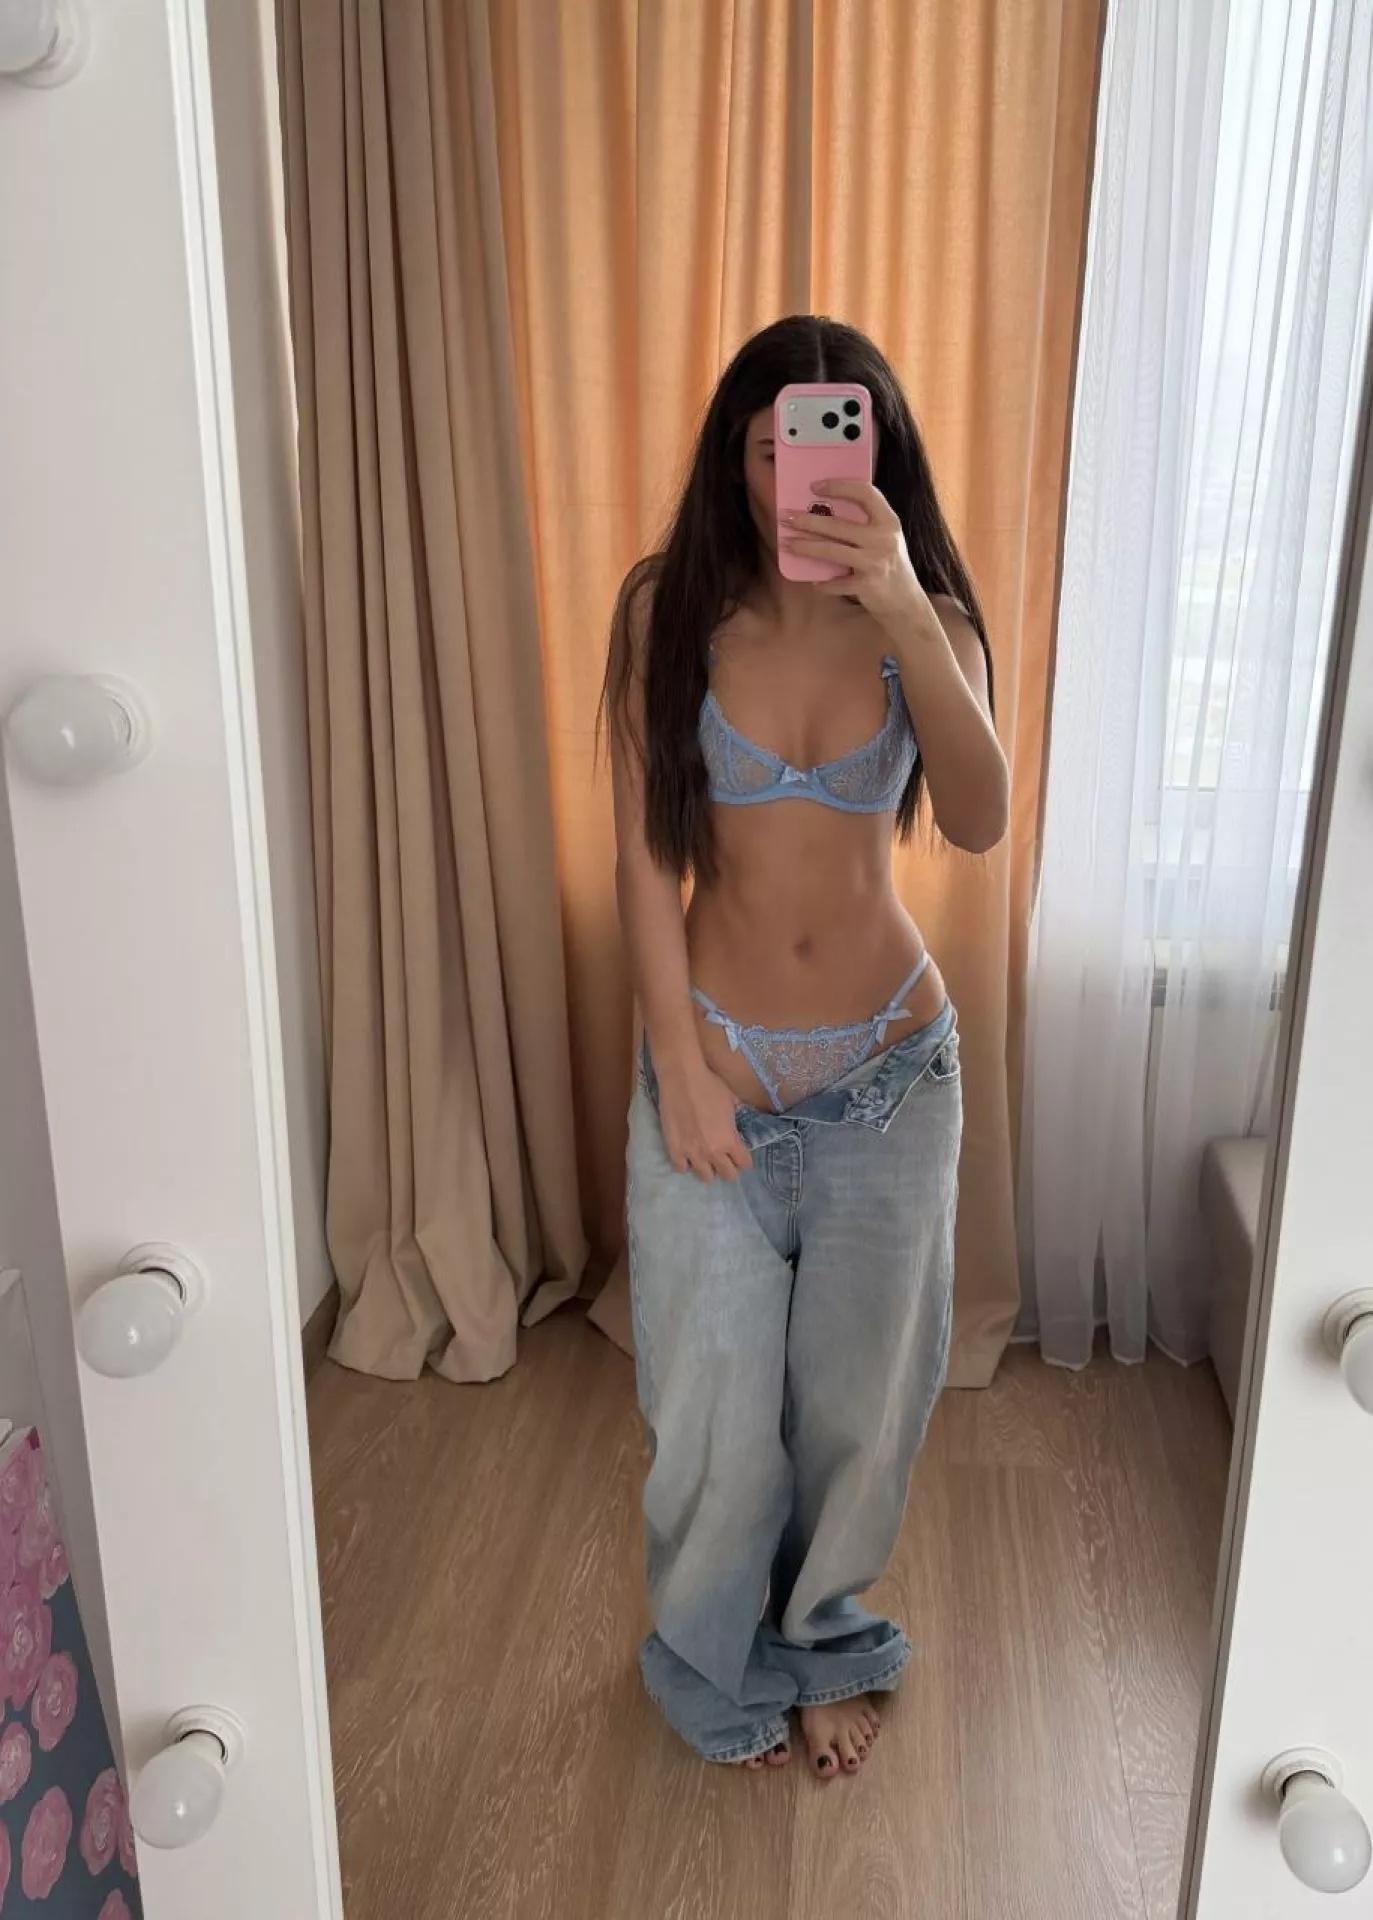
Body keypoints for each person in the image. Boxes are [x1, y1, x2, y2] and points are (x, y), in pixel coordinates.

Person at [600, 315, 1008, 1781]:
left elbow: (979, 818)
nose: (801, 479)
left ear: (879, 459)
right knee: (709, 1410)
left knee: (856, 1405)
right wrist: (679, 1066)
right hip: (713, 1067)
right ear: (737, 459)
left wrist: (903, 606)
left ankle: (825, 1638)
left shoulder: (929, 619)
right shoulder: (669, 614)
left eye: (833, 445)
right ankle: (715, 1652)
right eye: (773, 448)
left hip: (889, 1082)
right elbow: (646, 856)